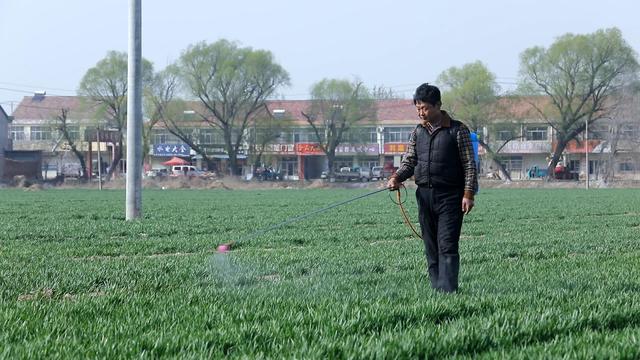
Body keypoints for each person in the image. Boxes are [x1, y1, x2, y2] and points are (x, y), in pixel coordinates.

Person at [387, 83, 478, 293]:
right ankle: (437, 289)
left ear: (438, 105)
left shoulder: (457, 130)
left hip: (450, 196)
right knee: (430, 245)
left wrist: (468, 194)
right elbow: (409, 161)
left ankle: (449, 291)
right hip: (424, 196)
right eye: (418, 108)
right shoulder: (418, 132)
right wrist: (396, 177)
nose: (421, 112)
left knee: (446, 244)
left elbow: (469, 164)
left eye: (425, 108)